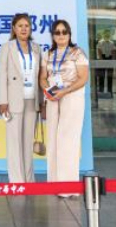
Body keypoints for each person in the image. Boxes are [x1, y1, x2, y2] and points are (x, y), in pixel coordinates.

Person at [40, 19, 88, 195]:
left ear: (69, 34)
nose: (61, 35)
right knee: (53, 139)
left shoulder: (77, 53)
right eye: (57, 32)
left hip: (72, 97)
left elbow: (83, 78)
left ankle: (68, 187)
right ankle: (54, 184)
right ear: (53, 35)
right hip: (53, 98)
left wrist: (65, 91)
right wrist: (48, 90)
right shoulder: (48, 54)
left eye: (64, 32)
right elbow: (43, 77)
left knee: (68, 140)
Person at [0, 13, 41, 183]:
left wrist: (41, 102)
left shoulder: (36, 48)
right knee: (14, 143)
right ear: (14, 29)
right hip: (13, 100)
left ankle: (29, 181)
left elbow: (40, 76)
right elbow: (2, 76)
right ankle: (17, 181)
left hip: (32, 100)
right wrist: (2, 101)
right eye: (20, 26)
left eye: (27, 26)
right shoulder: (7, 47)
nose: (24, 29)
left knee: (28, 143)